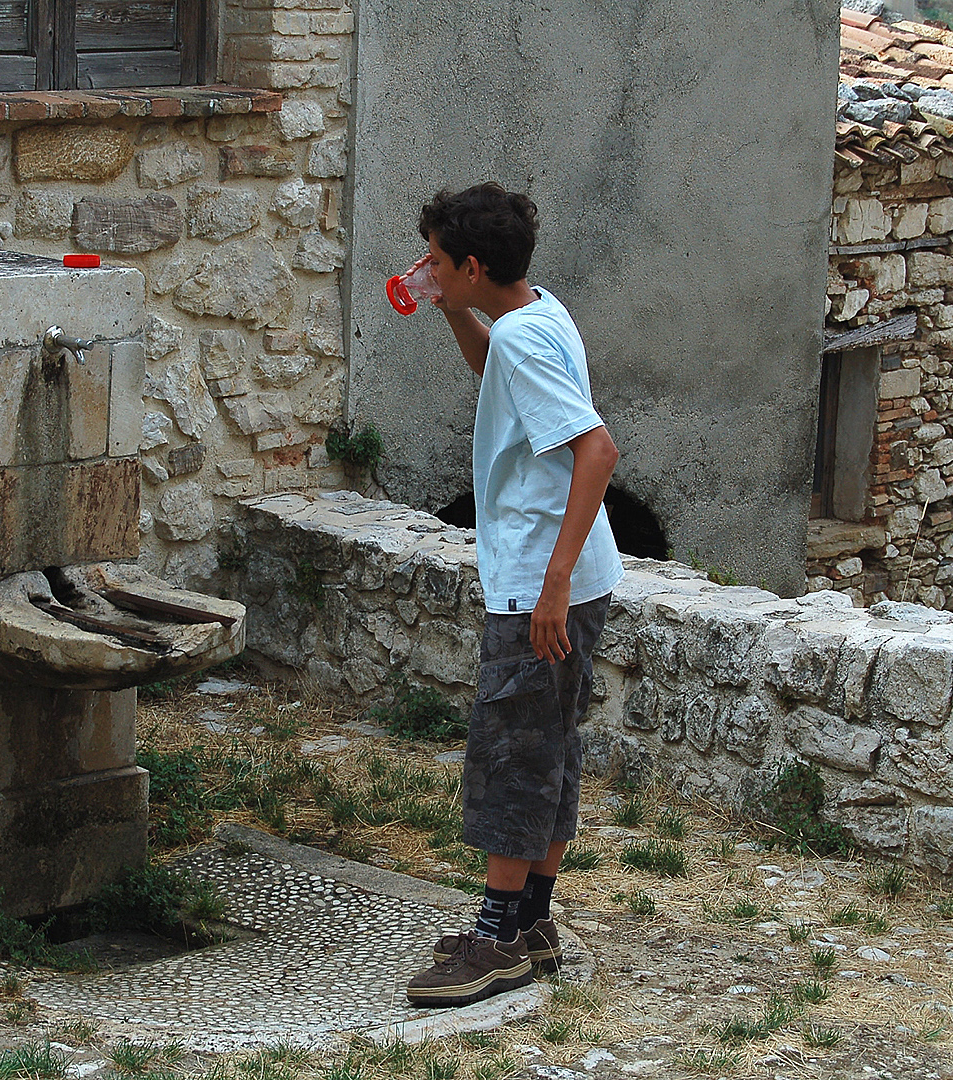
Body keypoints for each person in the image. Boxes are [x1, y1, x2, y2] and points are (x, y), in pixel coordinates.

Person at [403, 183, 623, 1008]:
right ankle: (530, 922)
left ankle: (493, 941)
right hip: (569, 573)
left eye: (435, 260)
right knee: (549, 747)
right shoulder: (536, 312)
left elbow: (597, 452)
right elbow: (491, 359)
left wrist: (551, 584)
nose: (423, 267)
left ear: (474, 264)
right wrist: (447, 307)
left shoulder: (527, 341)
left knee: (508, 755)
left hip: (541, 575)